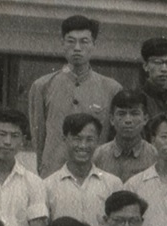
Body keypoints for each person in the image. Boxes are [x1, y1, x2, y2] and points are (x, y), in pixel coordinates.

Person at [28, 15, 123, 177]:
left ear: (94, 44)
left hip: (96, 175)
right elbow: (38, 137)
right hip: (54, 174)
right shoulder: (42, 86)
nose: (77, 48)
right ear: (62, 43)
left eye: (84, 41)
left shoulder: (111, 89)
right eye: (71, 41)